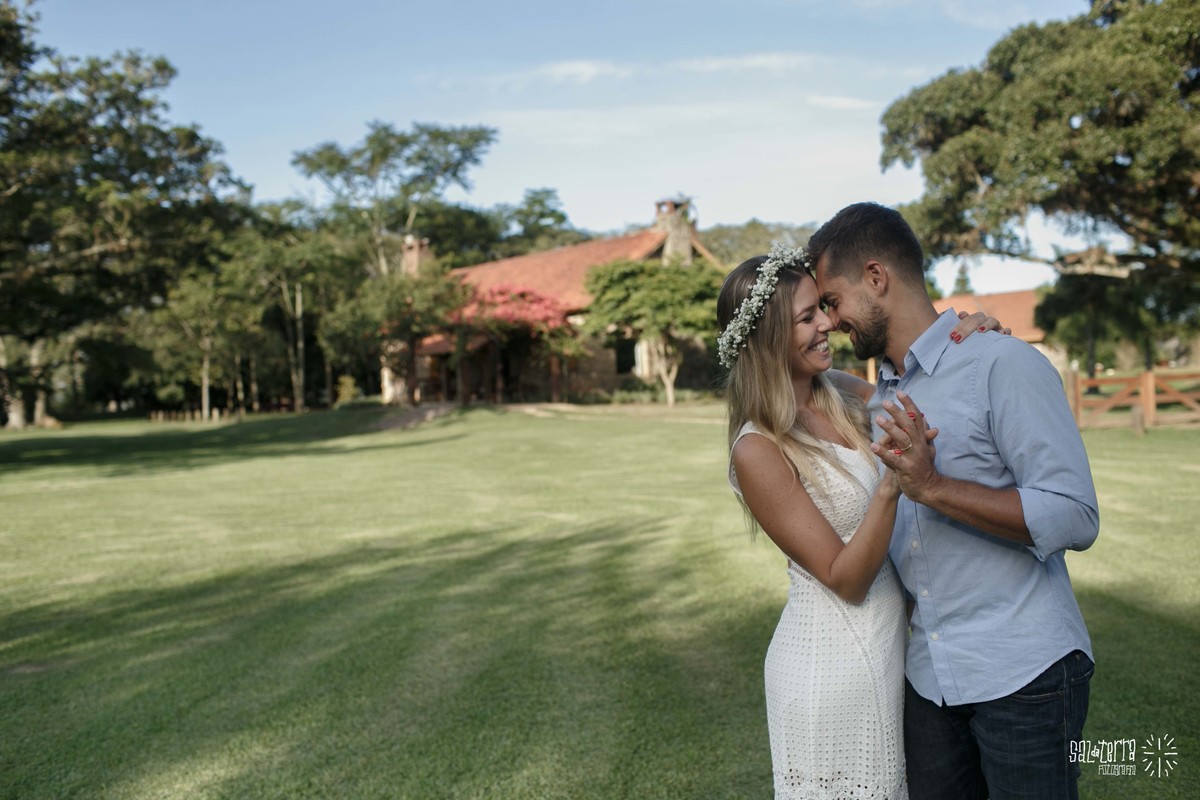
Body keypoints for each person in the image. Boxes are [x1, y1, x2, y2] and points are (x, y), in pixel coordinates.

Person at [807, 202, 1099, 800]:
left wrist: (934, 487)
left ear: (877, 278)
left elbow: (1075, 514)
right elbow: (782, 370)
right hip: (929, 684)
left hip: (1026, 675)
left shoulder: (1002, 363)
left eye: (832, 301)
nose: (830, 321)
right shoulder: (876, 394)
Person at [718, 244, 1002, 800]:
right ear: (769, 337)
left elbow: (927, 401)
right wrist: (894, 485)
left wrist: (969, 337)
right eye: (806, 317)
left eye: (822, 307)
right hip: (828, 668)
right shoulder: (757, 449)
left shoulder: (843, 392)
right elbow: (845, 578)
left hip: (891, 654)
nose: (827, 323)